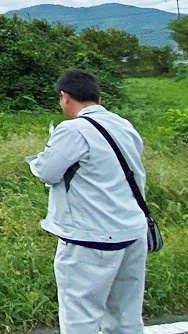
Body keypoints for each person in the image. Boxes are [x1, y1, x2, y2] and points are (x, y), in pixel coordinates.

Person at [27, 69, 148, 334]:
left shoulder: (73, 130)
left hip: (90, 238)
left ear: (65, 97)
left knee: (81, 318)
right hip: (133, 233)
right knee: (126, 317)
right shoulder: (123, 125)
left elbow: (46, 171)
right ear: (98, 97)